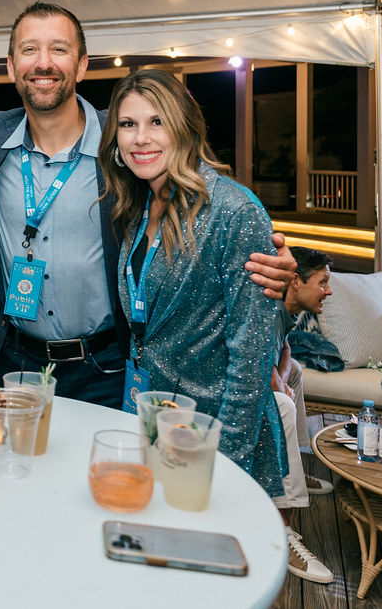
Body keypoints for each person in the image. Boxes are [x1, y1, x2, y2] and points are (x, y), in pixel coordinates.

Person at [0, 1, 295, 408]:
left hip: (105, 369)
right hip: (12, 363)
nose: (44, 63)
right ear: (11, 64)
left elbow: (194, 188)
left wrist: (266, 254)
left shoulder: (124, 138)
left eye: (59, 49)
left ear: (83, 64)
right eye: (29, 49)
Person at [100, 68, 286, 496]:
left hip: (215, 435)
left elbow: (252, 353)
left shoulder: (233, 210)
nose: (140, 138)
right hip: (155, 423)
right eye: (128, 125)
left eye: (156, 121)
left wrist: (226, 461)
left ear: (184, 127)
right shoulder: (138, 206)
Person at [273, 246, 335, 583]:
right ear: (296, 281)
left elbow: (283, 348)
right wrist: (279, 385)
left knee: (294, 370)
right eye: (323, 282)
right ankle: (281, 526)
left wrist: (283, 378)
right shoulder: (267, 308)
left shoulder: (287, 309)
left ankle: (294, 461)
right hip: (228, 390)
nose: (328, 290)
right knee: (281, 402)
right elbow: (256, 356)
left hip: (262, 374)